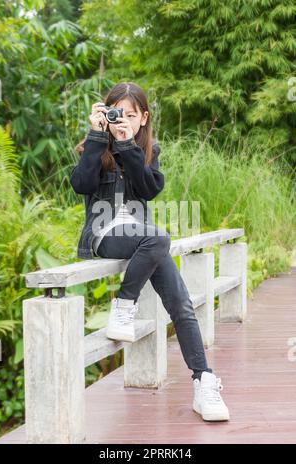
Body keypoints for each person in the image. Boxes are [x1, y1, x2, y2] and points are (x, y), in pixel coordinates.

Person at [70, 81, 229, 422]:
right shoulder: (95, 145)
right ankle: (124, 304)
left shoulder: (147, 150)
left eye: (129, 114)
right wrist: (99, 136)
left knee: (182, 306)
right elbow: (81, 185)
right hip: (104, 232)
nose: (121, 120)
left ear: (143, 118)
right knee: (158, 238)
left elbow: (149, 189)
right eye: (115, 113)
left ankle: (204, 381)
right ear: (104, 113)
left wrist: (127, 145)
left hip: (143, 237)